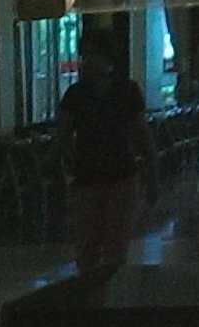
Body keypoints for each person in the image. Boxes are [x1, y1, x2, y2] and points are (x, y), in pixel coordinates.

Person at [56, 44, 152, 285]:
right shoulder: (77, 94)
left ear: (108, 62)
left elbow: (141, 133)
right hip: (92, 177)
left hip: (116, 175)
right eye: (85, 57)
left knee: (111, 242)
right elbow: (63, 134)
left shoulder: (122, 91)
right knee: (90, 243)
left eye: (92, 56)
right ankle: (96, 288)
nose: (86, 62)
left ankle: (104, 288)